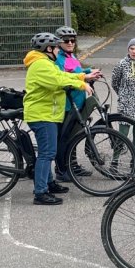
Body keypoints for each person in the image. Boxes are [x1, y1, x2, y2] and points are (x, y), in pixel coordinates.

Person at [23, 32, 99, 205]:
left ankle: (49, 183)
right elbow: (58, 80)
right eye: (57, 47)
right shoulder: (40, 65)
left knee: (48, 151)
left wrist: (82, 76)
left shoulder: (46, 62)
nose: (59, 49)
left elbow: (64, 75)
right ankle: (40, 193)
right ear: (48, 49)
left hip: (47, 113)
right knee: (47, 153)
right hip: (42, 115)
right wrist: (81, 83)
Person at [53, 26, 100, 182]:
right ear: (59, 42)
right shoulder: (59, 59)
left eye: (73, 40)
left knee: (74, 135)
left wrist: (89, 71)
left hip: (78, 102)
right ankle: (61, 170)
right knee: (64, 138)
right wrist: (84, 79)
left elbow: (76, 72)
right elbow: (64, 78)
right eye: (66, 40)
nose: (70, 43)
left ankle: (73, 165)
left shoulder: (71, 56)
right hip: (67, 104)